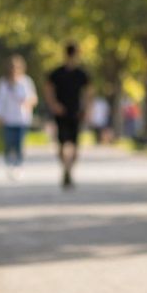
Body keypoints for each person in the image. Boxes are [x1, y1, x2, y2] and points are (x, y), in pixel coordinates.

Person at [44, 42, 91, 189]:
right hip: (62, 113)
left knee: (75, 145)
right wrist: (54, 105)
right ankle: (65, 169)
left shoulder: (81, 74)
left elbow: (89, 92)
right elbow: (48, 89)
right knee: (62, 143)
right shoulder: (57, 73)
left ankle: (69, 170)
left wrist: (86, 109)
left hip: (76, 113)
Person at [0, 54, 37, 178]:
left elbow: (33, 98)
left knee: (19, 143)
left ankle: (18, 165)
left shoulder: (26, 82)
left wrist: (27, 103)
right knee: (9, 143)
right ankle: (10, 164)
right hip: (8, 119)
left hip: (22, 119)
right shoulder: (3, 83)